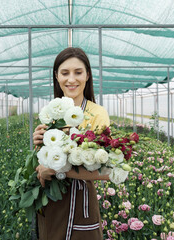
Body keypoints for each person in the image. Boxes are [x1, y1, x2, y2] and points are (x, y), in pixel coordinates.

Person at [33, 47, 110, 240]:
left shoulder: (97, 113)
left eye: (78, 72)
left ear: (87, 75)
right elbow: (41, 164)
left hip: (81, 205)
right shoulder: (51, 112)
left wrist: (58, 170)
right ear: (56, 76)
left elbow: (107, 172)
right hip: (51, 203)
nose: (71, 79)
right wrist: (38, 147)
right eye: (65, 73)